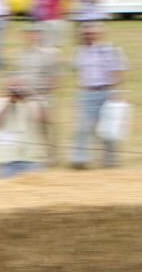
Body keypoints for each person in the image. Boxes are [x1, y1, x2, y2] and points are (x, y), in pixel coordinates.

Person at [72, 23, 128, 169]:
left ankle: (110, 161)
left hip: (106, 92)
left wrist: (116, 92)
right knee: (83, 127)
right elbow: (80, 72)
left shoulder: (111, 50)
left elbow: (119, 72)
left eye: (91, 33)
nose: (88, 36)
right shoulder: (80, 52)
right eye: (85, 34)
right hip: (87, 93)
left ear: (100, 34)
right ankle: (80, 160)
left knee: (109, 129)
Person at [0, 74, 48, 178]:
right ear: (4, 88)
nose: (16, 91)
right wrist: (8, 101)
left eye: (20, 87)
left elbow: (44, 118)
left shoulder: (33, 103)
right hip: (7, 159)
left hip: (33, 158)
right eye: (12, 87)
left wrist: (31, 96)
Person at [18, 25, 61, 165]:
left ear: (41, 35)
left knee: (46, 127)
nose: (31, 36)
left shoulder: (49, 55)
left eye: (34, 33)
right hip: (27, 96)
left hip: (43, 96)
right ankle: (34, 155)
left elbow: (55, 77)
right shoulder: (25, 54)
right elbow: (22, 75)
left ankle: (51, 156)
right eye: (29, 33)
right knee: (29, 127)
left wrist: (46, 98)